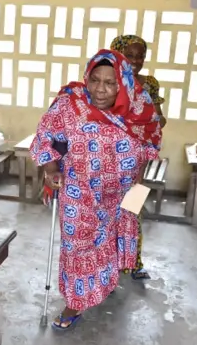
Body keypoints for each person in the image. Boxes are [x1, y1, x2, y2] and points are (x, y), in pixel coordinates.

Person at [30, 49, 162, 330]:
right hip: (78, 193)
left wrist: (136, 191)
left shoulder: (138, 110)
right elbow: (46, 137)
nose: (100, 89)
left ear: (122, 84)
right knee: (76, 246)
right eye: (95, 80)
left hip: (119, 196)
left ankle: (101, 284)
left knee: (108, 244)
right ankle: (74, 304)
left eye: (110, 83)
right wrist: (51, 170)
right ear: (86, 79)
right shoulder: (71, 105)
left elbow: (149, 148)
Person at [111, 34, 167, 280]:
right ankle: (107, 262)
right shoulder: (106, 80)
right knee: (106, 213)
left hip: (137, 162)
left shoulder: (149, 84)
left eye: (140, 55)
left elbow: (160, 119)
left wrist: (149, 116)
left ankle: (133, 262)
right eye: (129, 55)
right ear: (116, 54)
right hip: (107, 160)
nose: (135, 60)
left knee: (132, 211)